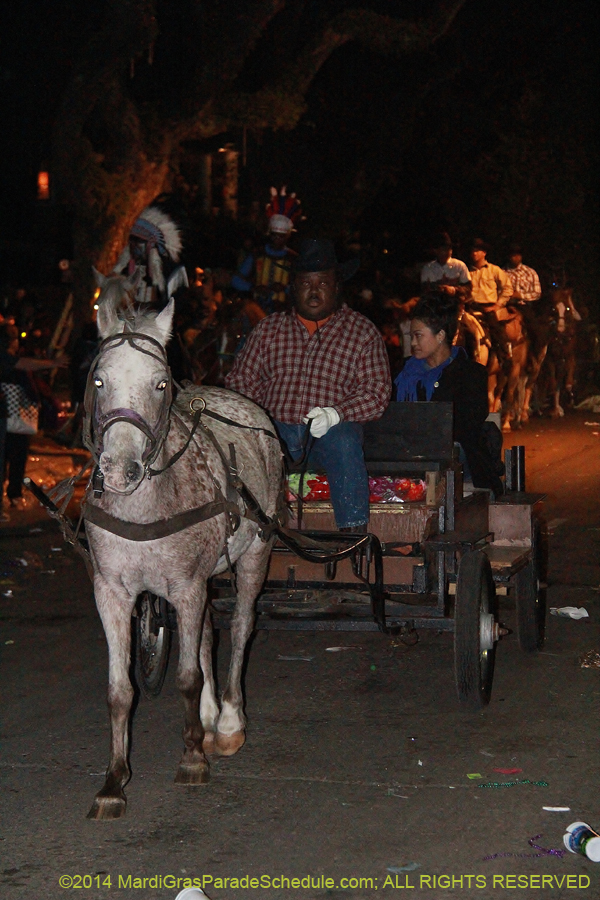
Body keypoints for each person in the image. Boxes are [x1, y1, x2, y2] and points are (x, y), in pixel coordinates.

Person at [226, 239, 391, 531]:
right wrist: (257, 418)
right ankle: (239, 528)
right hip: (275, 432)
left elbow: (376, 392)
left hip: (328, 438)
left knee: (343, 438)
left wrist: (335, 414)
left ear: (336, 286)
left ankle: (352, 531)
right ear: (294, 287)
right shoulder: (269, 328)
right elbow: (240, 380)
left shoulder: (362, 332)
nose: (314, 291)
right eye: (306, 283)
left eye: (323, 283)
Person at [394, 293, 503, 495]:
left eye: (418, 336)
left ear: (441, 336)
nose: (413, 343)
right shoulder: (403, 373)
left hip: (456, 460)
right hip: (415, 456)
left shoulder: (470, 374)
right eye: (411, 336)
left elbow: (466, 426)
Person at [0, 324, 67, 515]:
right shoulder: (8, 359)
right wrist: (53, 363)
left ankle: (11, 495)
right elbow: (25, 367)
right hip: (15, 416)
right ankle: (13, 495)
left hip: (9, 416)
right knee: (16, 456)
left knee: (7, 457)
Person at [231, 187, 303, 315]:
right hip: (257, 309)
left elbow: (305, 287)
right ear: (269, 233)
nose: (277, 239)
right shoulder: (257, 254)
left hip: (285, 312)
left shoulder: (293, 259)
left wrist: (285, 289)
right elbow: (236, 280)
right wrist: (254, 288)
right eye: (274, 235)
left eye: (281, 236)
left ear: (288, 236)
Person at [111, 205, 188, 306]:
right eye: (132, 240)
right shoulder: (128, 266)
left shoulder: (168, 270)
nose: (134, 246)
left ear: (150, 244)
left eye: (139, 241)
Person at [468, 238, 513, 369]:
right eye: (473, 251)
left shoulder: (494, 270)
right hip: (470, 307)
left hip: (487, 308)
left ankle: (505, 356)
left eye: (477, 251)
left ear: (484, 253)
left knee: (496, 330)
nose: (474, 253)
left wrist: (498, 305)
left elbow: (507, 288)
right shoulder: (466, 271)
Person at [421, 232, 471, 298]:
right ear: (436, 251)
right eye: (444, 249)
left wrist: (454, 290)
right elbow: (425, 290)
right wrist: (441, 290)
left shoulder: (460, 265)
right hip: (436, 305)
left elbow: (468, 288)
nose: (448, 252)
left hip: (456, 304)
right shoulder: (428, 268)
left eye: (450, 249)